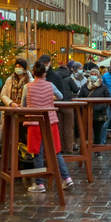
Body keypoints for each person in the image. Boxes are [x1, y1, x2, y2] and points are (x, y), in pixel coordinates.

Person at [23, 61, 73, 193]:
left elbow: (23, 103)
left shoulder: (28, 86)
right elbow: (61, 96)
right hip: (50, 122)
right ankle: (67, 178)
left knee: (38, 154)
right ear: (45, 73)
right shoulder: (50, 85)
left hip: (34, 122)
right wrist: (50, 99)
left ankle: (39, 183)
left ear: (33, 72)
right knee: (56, 152)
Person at [78, 68, 111, 152]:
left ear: (98, 76)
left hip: (99, 113)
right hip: (87, 113)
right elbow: (80, 98)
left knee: (97, 132)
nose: (93, 76)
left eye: (95, 74)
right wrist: (84, 107)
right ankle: (86, 150)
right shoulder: (85, 86)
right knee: (86, 132)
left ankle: (97, 150)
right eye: (92, 74)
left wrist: (102, 106)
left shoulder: (103, 87)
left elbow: (108, 99)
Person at [55, 61, 79, 153]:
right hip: (67, 104)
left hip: (57, 104)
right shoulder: (69, 78)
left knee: (59, 127)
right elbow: (76, 90)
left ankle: (60, 148)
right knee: (68, 127)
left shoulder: (55, 78)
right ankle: (69, 149)